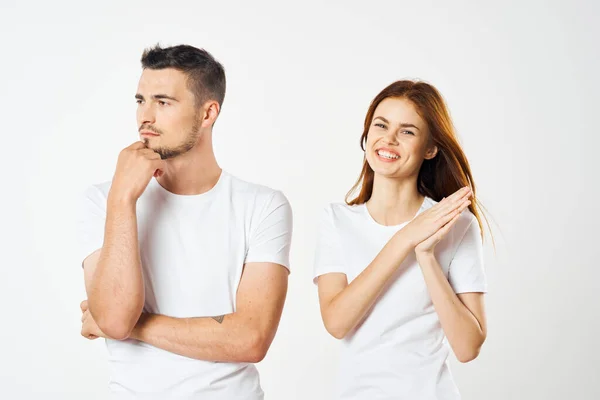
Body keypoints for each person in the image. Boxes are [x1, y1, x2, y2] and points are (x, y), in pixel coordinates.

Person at [77, 44, 292, 399]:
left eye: (163, 102)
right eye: (140, 100)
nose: (145, 116)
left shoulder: (263, 206)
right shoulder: (103, 201)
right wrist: (122, 199)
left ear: (208, 114)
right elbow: (115, 318)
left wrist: (133, 327)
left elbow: (251, 339)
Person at [313, 80, 489, 399]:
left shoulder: (457, 224)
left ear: (430, 148)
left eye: (407, 131)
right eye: (381, 125)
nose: (389, 139)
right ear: (367, 136)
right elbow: (337, 322)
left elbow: (467, 348)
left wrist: (426, 256)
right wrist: (405, 239)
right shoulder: (337, 220)